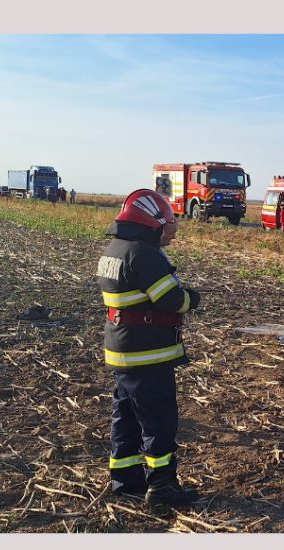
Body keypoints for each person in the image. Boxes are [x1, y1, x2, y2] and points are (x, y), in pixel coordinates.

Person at [96, 189, 202, 506]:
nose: (171, 235)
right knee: (158, 421)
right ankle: (162, 487)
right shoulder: (143, 255)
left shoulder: (114, 250)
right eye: (168, 227)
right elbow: (173, 300)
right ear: (152, 223)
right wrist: (192, 298)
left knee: (126, 416)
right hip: (147, 353)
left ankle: (126, 478)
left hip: (123, 350)